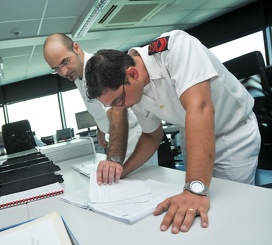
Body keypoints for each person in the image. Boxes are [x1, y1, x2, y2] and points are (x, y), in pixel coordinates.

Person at [84, 30, 261, 233]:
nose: (120, 109)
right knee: (196, 216)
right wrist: (123, 171)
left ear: (132, 74)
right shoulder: (134, 91)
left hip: (232, 135)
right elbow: (152, 136)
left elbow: (201, 108)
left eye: (118, 101)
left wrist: (195, 188)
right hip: (193, 138)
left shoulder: (176, 47)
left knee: (230, 213)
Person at [43, 33, 158, 172]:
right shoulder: (77, 74)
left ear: (76, 48)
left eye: (65, 62)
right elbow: (102, 104)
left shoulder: (96, 69)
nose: (64, 72)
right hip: (118, 138)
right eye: (56, 69)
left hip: (132, 140)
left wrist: (113, 158)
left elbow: (117, 110)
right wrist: (101, 128)